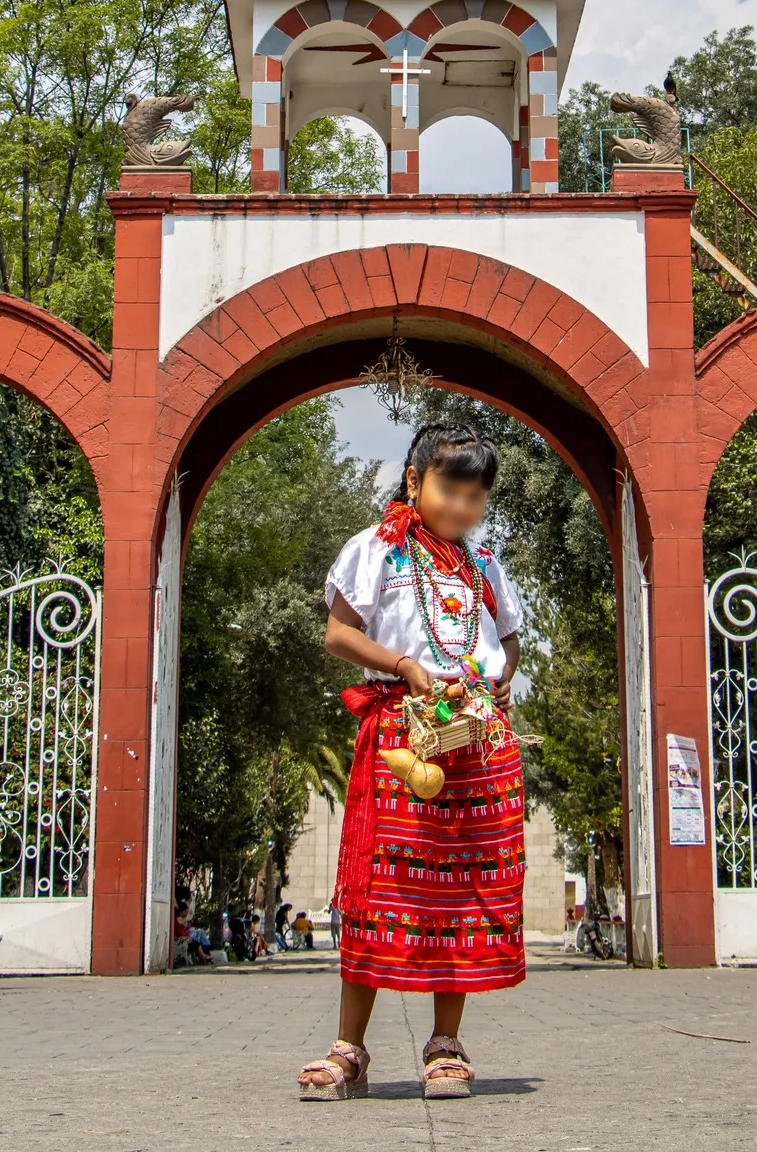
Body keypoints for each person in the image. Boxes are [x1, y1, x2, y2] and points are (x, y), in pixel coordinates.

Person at [297, 421, 524, 1103]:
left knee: (461, 893)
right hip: (401, 733)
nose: (460, 506)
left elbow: (507, 642)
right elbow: (338, 632)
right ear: (413, 481)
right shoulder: (375, 551)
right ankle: (350, 1049)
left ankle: (446, 1045)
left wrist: (497, 679)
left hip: (475, 741)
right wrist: (403, 666)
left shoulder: (484, 569)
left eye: (475, 495)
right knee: (379, 892)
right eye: (449, 488)